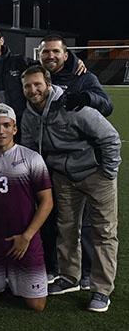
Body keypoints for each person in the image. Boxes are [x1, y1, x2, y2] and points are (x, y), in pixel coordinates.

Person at [20, 65, 120, 312]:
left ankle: (101, 290)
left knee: (104, 232)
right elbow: (31, 149)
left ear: (48, 83)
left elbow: (110, 137)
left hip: (95, 174)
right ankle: (69, 277)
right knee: (66, 229)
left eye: (37, 84)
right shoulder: (29, 114)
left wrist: (107, 172)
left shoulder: (72, 105)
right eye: (28, 86)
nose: (33, 90)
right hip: (64, 177)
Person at [0, 104, 53, 312]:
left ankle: (14, 276)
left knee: (36, 305)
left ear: (15, 129)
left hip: (25, 238)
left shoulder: (32, 159)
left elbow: (47, 201)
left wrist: (27, 236)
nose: (1, 131)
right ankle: (2, 275)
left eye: (6, 125)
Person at [38, 34, 112, 117]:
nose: (51, 56)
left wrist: (87, 98)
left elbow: (107, 107)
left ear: (65, 56)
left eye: (56, 51)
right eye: (45, 52)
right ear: (39, 56)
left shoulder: (83, 77)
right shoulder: (30, 75)